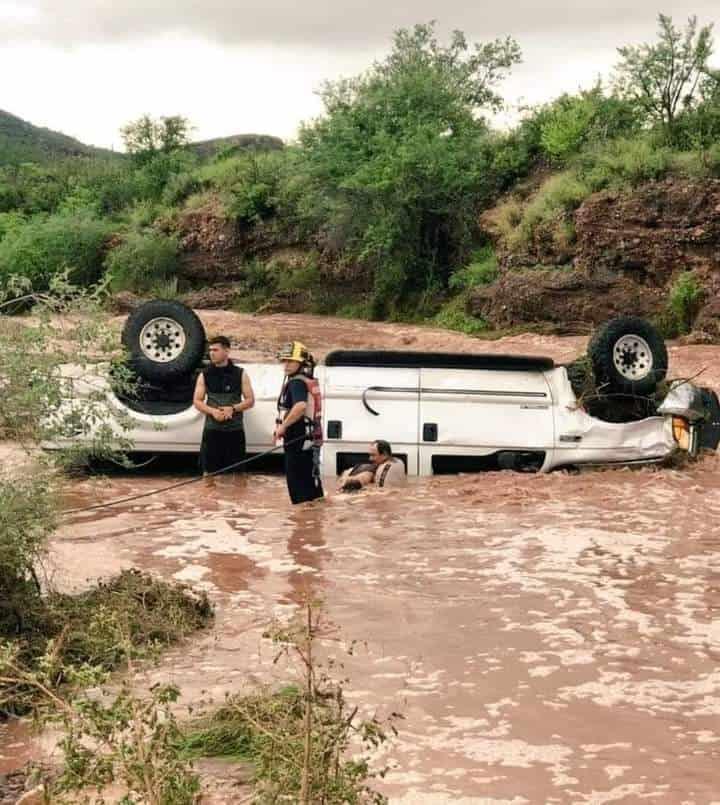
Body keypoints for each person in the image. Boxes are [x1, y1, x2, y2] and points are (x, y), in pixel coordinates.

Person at [193, 335, 254, 475]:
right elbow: (197, 401)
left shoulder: (240, 373)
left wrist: (233, 408)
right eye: (210, 350)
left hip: (235, 430)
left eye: (215, 350)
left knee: (238, 475)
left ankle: (236, 498)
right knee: (208, 475)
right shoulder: (205, 374)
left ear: (227, 351)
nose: (211, 353)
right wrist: (213, 411)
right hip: (212, 430)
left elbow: (250, 400)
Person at [275, 341, 324, 505]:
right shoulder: (307, 380)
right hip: (309, 440)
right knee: (313, 488)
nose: (286, 365)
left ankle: (302, 527)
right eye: (284, 361)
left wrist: (283, 426)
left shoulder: (296, 382)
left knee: (299, 491)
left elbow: (300, 406)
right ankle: (313, 525)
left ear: (301, 363)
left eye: (290, 361)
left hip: (298, 439)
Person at [339, 440, 406, 492]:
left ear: (384, 454)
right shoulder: (399, 462)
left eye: (373, 455)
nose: (370, 458)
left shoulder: (383, 469)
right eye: (370, 455)